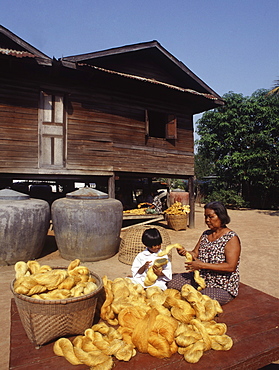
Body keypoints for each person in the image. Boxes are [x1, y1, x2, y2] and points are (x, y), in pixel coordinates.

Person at [167, 201, 241, 305]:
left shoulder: (231, 238)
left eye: (211, 217)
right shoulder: (206, 234)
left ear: (221, 216)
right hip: (201, 278)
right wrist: (185, 253)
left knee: (198, 299)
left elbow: (230, 266)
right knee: (170, 282)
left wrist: (201, 265)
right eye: (205, 217)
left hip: (221, 285)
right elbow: (195, 253)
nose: (207, 220)